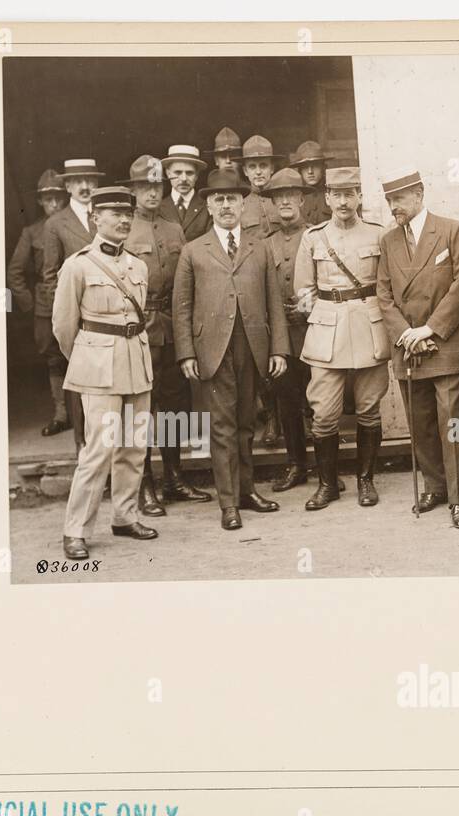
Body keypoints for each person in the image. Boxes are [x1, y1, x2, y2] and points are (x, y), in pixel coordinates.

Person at [172, 168, 290, 531]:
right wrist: (187, 353)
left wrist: (279, 350)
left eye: (232, 199)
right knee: (222, 427)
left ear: (243, 204)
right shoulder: (194, 250)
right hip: (213, 348)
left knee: (245, 423)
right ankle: (228, 503)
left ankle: (246, 491)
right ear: (208, 206)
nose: (226, 205)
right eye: (219, 200)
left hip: (252, 345)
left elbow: (274, 300)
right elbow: (182, 307)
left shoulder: (260, 247)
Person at [53, 186, 159, 560]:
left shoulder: (138, 265)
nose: (123, 219)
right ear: (96, 217)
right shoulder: (78, 265)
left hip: (135, 358)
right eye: (114, 213)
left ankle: (125, 517)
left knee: (133, 446)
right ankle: (76, 530)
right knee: (98, 450)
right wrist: (86, 358)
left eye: (127, 213)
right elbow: (64, 327)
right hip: (97, 365)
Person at [375, 167, 459, 529]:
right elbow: (383, 294)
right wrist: (406, 333)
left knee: (451, 422)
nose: (393, 207)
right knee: (419, 423)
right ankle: (435, 487)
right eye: (389, 200)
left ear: (419, 194)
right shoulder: (388, 242)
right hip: (408, 345)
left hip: (442, 341)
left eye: (398, 199)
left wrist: (430, 329)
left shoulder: (450, 230)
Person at [293, 166, 391, 509]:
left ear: (360, 197)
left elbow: (387, 284)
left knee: (369, 408)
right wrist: (323, 315)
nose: (344, 201)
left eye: (350, 194)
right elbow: (303, 290)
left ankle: (366, 481)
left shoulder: (378, 234)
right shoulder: (314, 237)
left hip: (368, 325)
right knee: (324, 413)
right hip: (327, 331)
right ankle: (327, 484)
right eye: (337, 194)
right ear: (327, 198)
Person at [121, 154, 212, 514]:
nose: (152, 193)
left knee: (175, 405)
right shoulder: (124, 228)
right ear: (134, 190)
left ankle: (174, 478)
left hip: (172, 325)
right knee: (140, 407)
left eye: (157, 186)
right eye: (144, 186)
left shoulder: (175, 229)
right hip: (138, 326)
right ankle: (144, 485)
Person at [41, 158, 106, 450]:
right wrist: (69, 318)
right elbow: (50, 274)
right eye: (77, 181)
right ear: (67, 186)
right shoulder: (56, 223)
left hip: (109, 316)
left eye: (90, 180)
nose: (84, 186)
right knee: (80, 383)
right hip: (80, 319)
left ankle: (108, 449)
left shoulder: (105, 216)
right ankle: (84, 446)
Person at [262, 168, 316, 491]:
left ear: (301, 199)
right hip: (281, 336)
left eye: (290, 195)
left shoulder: (316, 235)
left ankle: (326, 465)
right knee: (287, 400)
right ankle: (296, 465)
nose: (284, 201)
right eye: (277, 197)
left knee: (321, 399)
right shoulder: (263, 245)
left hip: (314, 330)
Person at [7, 169, 70, 435]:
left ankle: (87, 416)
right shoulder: (32, 232)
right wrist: (31, 305)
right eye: (48, 199)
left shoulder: (75, 227)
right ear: (41, 202)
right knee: (54, 359)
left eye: (57, 198)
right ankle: (62, 413)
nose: (53, 204)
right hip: (46, 306)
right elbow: (15, 272)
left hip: (76, 299)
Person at [157, 144, 211, 240]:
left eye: (189, 173)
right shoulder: (158, 208)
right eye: (178, 173)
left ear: (197, 175)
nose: (183, 179)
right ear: (168, 173)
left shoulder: (208, 206)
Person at [239, 135, 283, 236]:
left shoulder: (283, 199)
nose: (258, 172)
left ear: (272, 168)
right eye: (252, 167)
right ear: (245, 171)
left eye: (263, 165)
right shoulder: (240, 204)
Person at [289, 140, 332, 225]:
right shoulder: (296, 197)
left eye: (315, 165)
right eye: (305, 167)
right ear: (300, 171)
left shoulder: (332, 193)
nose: (310, 171)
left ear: (323, 168)